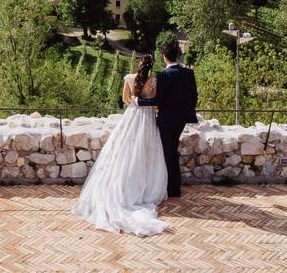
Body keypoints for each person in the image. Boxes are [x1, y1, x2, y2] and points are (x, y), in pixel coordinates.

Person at [72, 54, 168, 236]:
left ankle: (123, 184)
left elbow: (125, 99)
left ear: (139, 64)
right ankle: (144, 185)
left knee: (125, 150)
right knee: (146, 151)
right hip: (147, 118)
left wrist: (135, 101)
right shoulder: (154, 81)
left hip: (132, 115)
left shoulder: (129, 78)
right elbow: (155, 104)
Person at [138, 37, 198, 198]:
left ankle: (172, 189)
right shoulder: (188, 73)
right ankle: (173, 187)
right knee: (172, 150)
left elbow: (158, 100)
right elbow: (194, 97)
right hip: (182, 119)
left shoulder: (163, 75)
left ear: (164, 56)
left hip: (166, 120)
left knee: (168, 152)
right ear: (177, 56)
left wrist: (139, 101)